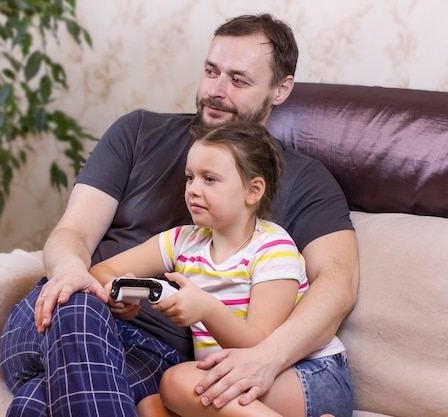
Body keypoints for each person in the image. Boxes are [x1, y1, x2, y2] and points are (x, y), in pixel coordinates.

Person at [0, 13, 359, 417]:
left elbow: (337, 285)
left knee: (36, 403)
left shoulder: (305, 181)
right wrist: (72, 272)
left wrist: (267, 357)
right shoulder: (137, 132)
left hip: (155, 354)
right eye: (211, 71)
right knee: (80, 303)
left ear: (281, 89)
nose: (217, 90)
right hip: (62, 313)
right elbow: (74, 232)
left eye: (238, 80)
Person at [89, 121, 352, 417]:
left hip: (308, 375)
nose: (192, 190)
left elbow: (259, 345)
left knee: (176, 381)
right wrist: (118, 295)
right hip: (232, 375)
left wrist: (207, 310)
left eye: (209, 179)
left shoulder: (273, 248)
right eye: (190, 178)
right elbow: (102, 270)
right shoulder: (182, 240)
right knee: (150, 408)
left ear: (253, 191)